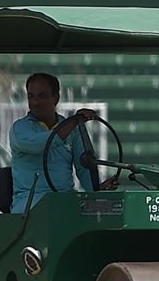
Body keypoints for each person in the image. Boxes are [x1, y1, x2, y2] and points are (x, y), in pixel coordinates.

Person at [8, 72, 107, 214]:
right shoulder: (19, 129)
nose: (35, 102)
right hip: (28, 203)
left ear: (56, 98)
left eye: (42, 96)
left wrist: (98, 189)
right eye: (31, 96)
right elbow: (45, 143)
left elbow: (84, 166)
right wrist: (74, 121)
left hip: (66, 200)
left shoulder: (72, 129)